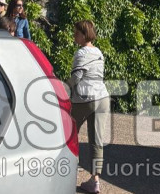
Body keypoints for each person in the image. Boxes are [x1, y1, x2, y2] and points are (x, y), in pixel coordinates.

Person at [69, 20, 110, 193]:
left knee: (69, 135)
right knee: (97, 140)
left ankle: (67, 174)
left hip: (85, 98)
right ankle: (95, 180)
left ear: (84, 34)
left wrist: (62, 88)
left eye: (76, 33)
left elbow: (76, 77)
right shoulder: (98, 51)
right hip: (102, 97)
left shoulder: (81, 53)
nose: (74, 36)